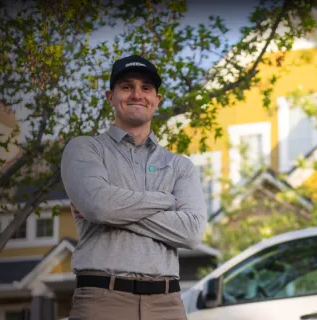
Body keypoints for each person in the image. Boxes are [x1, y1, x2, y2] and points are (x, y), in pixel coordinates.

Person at [60, 54, 207, 320]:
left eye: (146, 88)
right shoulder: (85, 148)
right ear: (110, 97)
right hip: (103, 300)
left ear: (156, 100)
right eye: (127, 86)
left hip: (167, 305)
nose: (137, 94)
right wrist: (166, 200)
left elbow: (192, 232)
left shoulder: (180, 166)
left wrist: (112, 211)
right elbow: (99, 206)